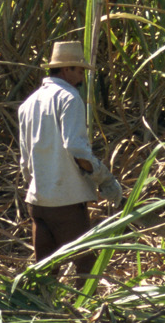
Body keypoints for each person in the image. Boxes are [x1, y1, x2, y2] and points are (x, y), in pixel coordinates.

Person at [18, 40, 123, 277]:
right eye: (79, 70)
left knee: (45, 272)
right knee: (87, 268)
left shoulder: (28, 104)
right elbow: (77, 149)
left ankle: (45, 311)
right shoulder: (69, 97)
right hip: (64, 203)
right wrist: (104, 179)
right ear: (66, 70)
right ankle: (85, 313)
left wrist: (39, 187)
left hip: (37, 202)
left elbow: (25, 162)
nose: (82, 76)